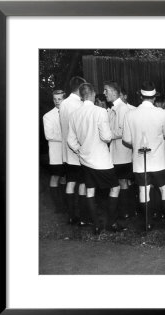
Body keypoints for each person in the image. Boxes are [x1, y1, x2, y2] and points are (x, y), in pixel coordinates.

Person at [67, 83, 121, 235]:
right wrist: (110, 136)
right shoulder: (100, 111)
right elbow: (106, 136)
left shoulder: (74, 114)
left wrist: (80, 150)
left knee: (90, 190)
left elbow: (70, 140)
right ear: (92, 94)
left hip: (85, 159)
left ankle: (96, 225)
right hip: (101, 159)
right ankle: (111, 223)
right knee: (115, 187)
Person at [122, 81, 165, 232]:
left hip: (140, 161)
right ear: (154, 97)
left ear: (140, 96)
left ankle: (148, 223)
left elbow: (126, 139)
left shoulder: (130, 114)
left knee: (143, 191)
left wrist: (138, 144)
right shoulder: (163, 113)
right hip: (158, 161)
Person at [104, 81, 136, 219]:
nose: (104, 93)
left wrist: (107, 134)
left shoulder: (122, 109)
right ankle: (124, 211)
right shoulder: (113, 108)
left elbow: (124, 131)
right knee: (119, 182)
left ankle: (125, 211)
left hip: (123, 153)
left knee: (121, 182)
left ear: (114, 92)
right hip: (115, 152)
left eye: (106, 90)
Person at [59, 76, 87, 225]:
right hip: (77, 150)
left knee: (70, 182)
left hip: (67, 152)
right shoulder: (78, 105)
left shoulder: (63, 104)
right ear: (81, 88)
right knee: (82, 183)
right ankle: (82, 217)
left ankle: (71, 216)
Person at [43, 89, 66, 213]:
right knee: (55, 177)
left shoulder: (69, 113)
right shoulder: (48, 116)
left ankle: (65, 204)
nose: (57, 101)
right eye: (55, 99)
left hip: (68, 153)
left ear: (64, 99)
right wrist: (66, 137)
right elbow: (49, 135)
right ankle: (58, 206)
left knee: (65, 178)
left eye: (60, 99)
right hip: (56, 153)